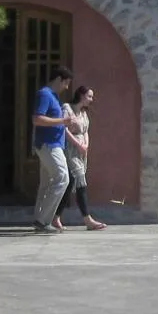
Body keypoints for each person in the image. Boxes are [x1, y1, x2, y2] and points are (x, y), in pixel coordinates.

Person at [53, 86, 107, 231]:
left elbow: (86, 131)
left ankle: (55, 216)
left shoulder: (83, 113)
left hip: (81, 151)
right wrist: (77, 144)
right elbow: (63, 128)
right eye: (89, 96)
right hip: (70, 150)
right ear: (82, 95)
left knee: (69, 183)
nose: (91, 99)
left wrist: (86, 146)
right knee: (81, 182)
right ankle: (87, 219)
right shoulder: (67, 108)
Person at [31, 67, 75, 234]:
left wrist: (63, 122)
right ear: (58, 79)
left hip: (53, 144)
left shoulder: (54, 97)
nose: (67, 87)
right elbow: (37, 118)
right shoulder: (44, 94)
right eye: (66, 83)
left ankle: (39, 219)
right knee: (62, 178)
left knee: (47, 183)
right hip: (49, 145)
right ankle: (43, 221)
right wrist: (63, 120)